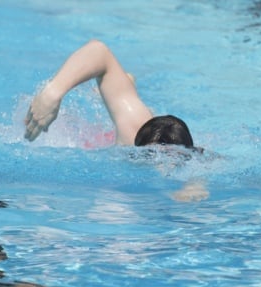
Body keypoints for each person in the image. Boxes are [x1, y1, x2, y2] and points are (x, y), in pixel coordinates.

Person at [24, 40, 208, 201]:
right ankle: (120, 87)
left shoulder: (193, 158)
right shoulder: (132, 131)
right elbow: (99, 51)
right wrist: (53, 92)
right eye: (149, 156)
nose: (161, 166)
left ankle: (123, 87)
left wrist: (195, 185)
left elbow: (204, 165)